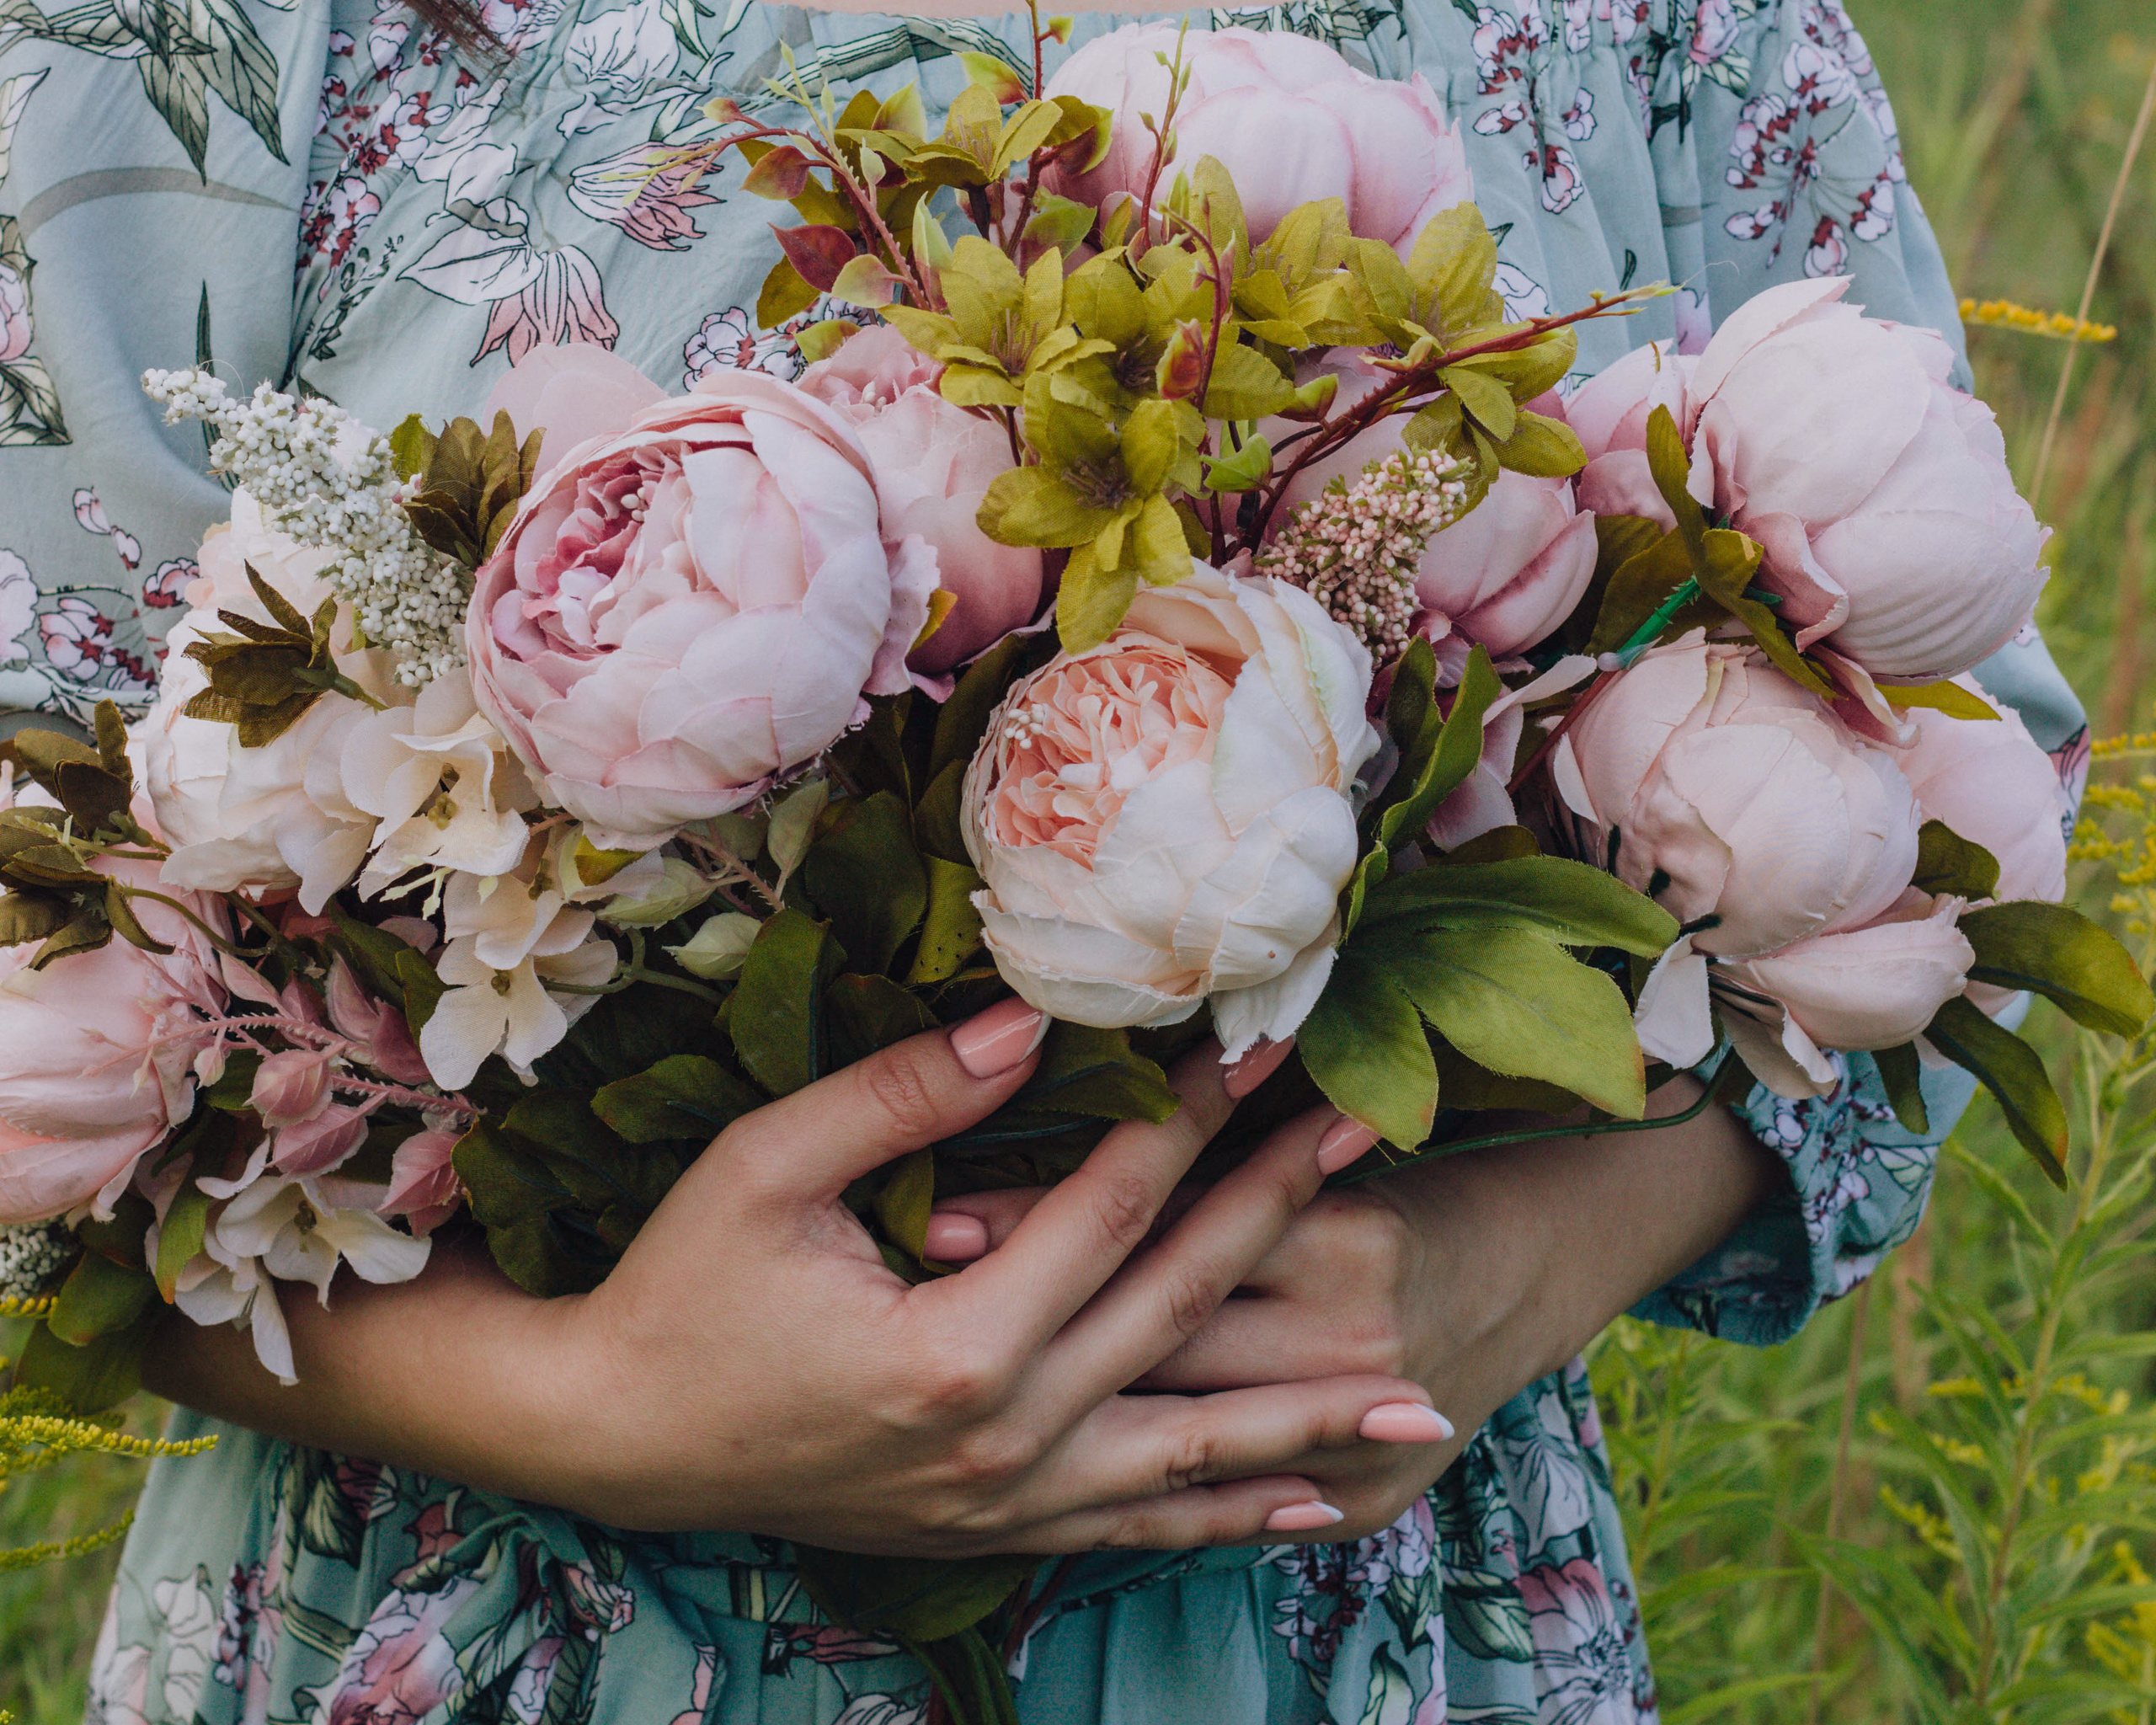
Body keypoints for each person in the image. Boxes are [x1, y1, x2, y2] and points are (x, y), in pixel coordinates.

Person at [0, 0, 2088, 1719]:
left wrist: (1484, 1279)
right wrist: (594, 1397)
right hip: (469, 1624)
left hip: (1347, 1615)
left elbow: (1946, 826)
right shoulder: (215, 41)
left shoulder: (1648, 27)